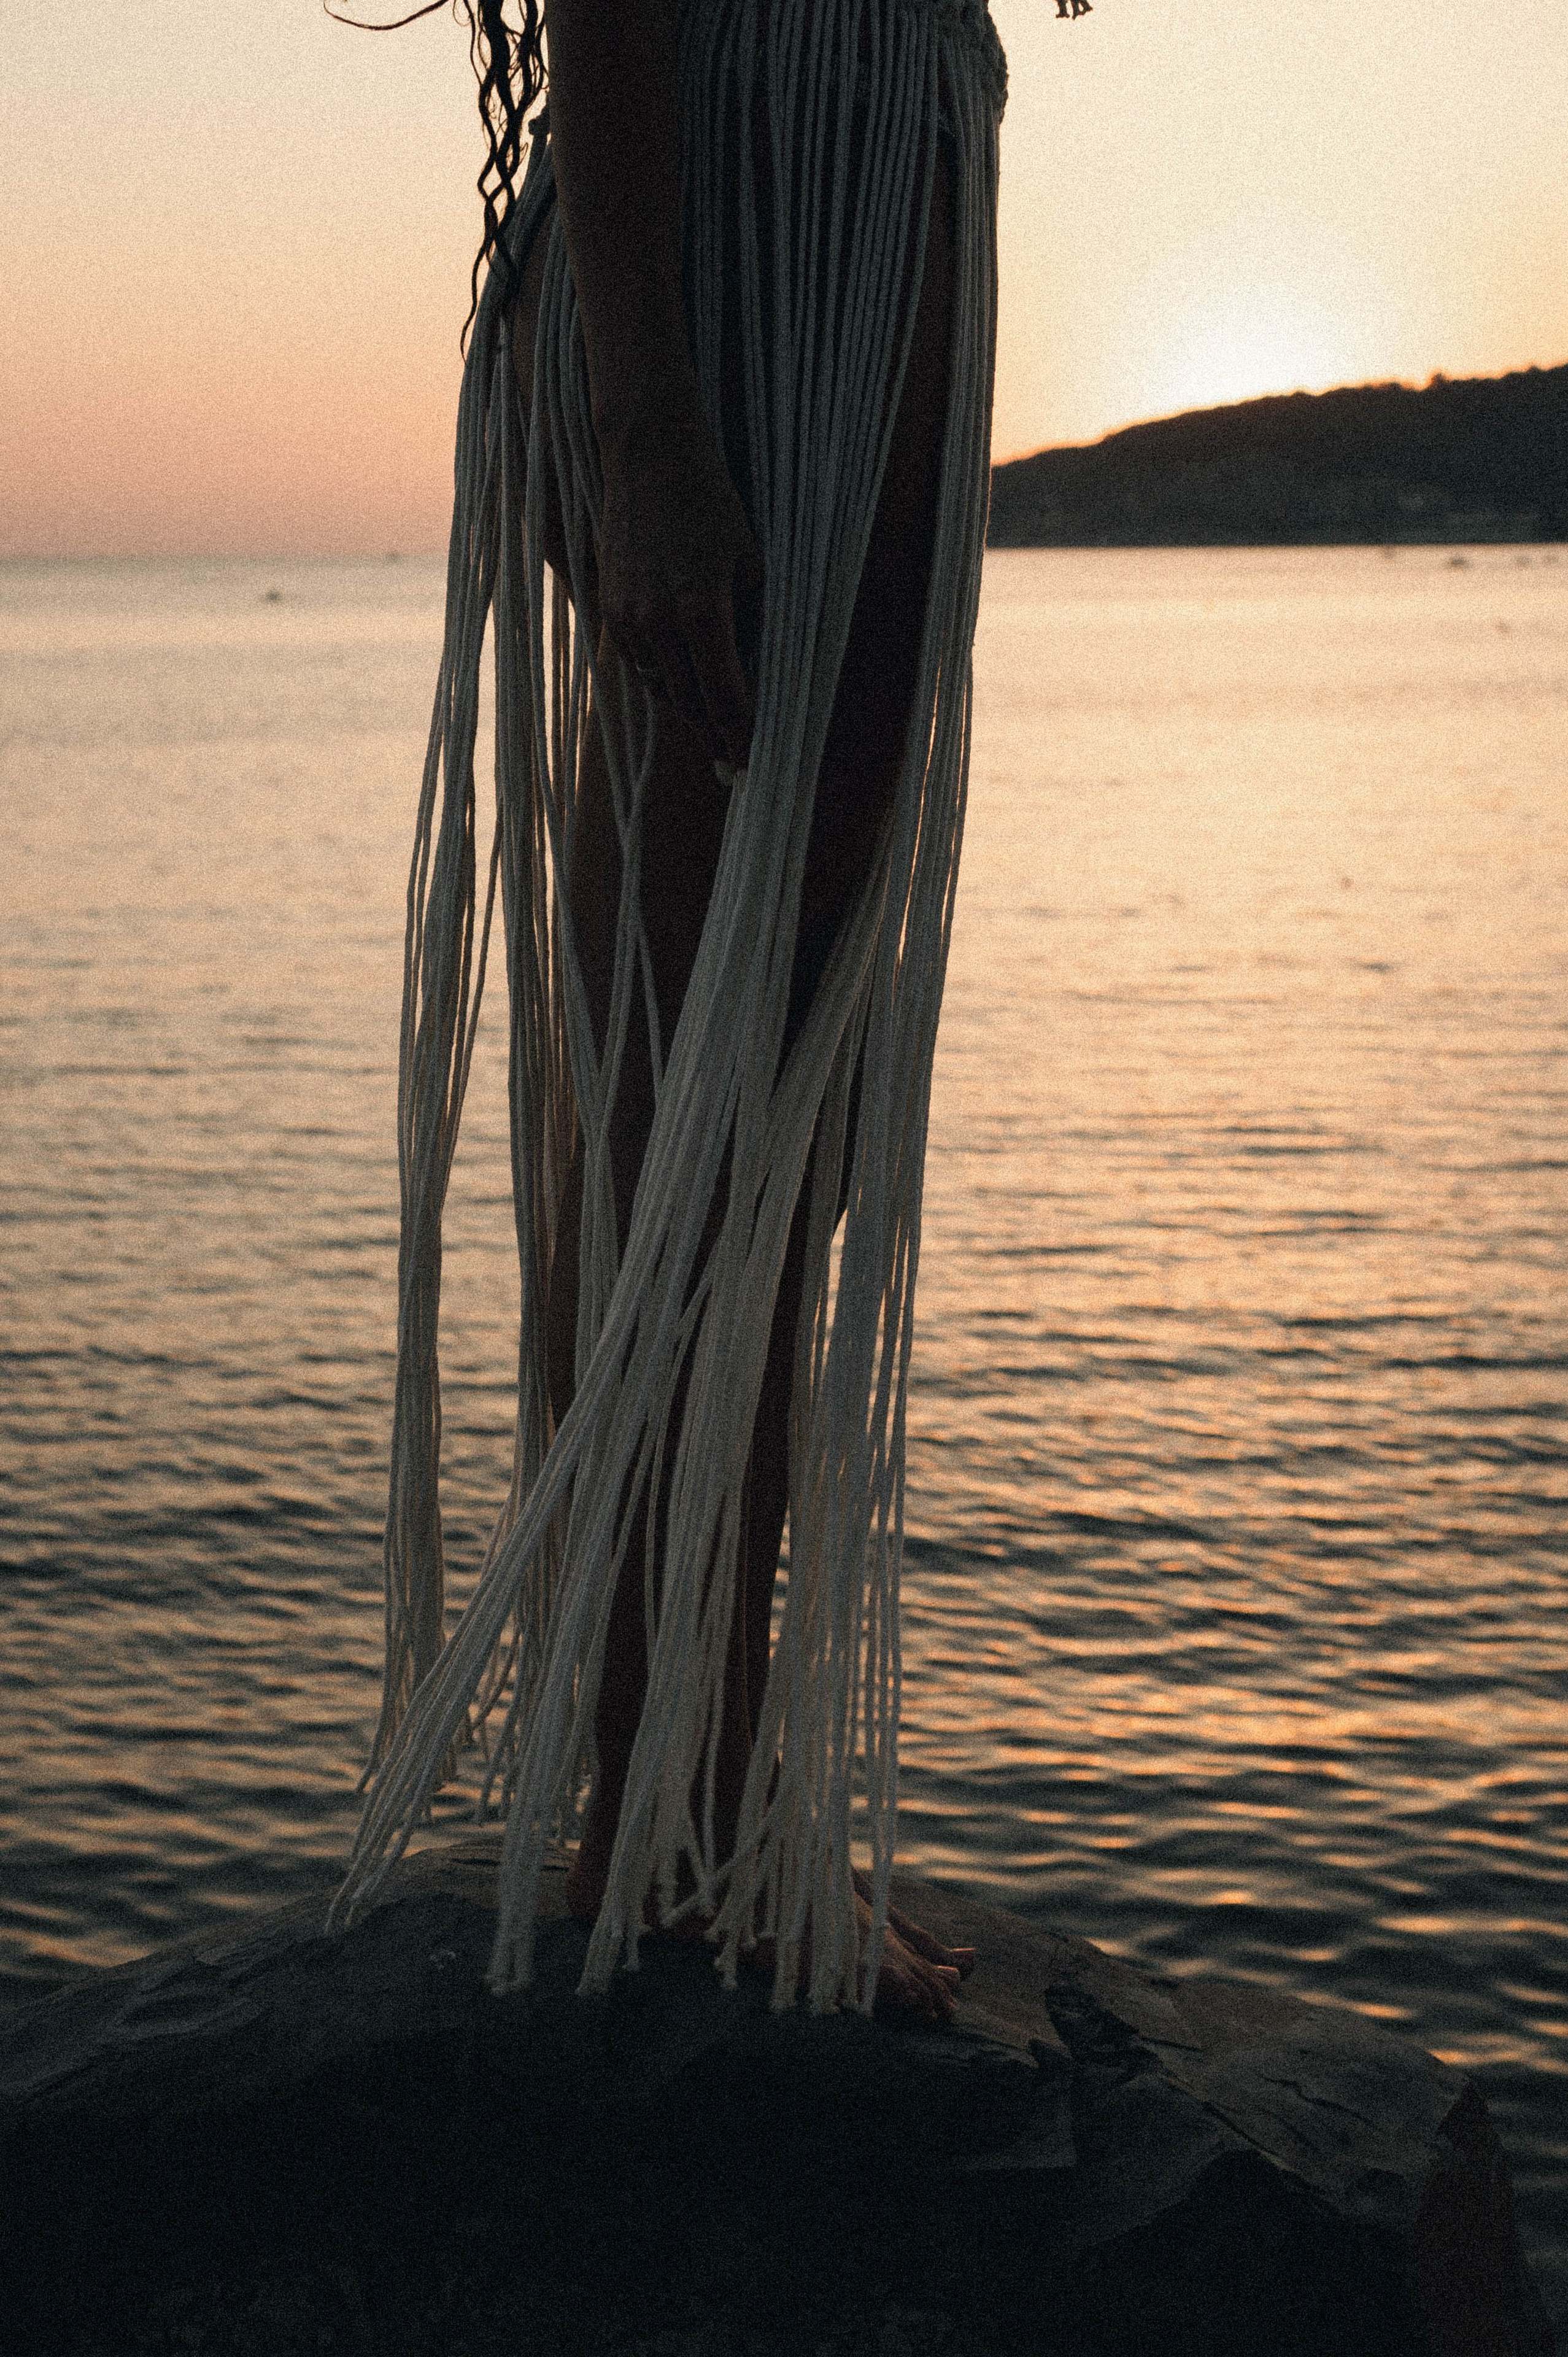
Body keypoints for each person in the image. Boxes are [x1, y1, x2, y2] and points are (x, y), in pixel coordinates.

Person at [332, 0, 1037, 2021]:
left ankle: (691, 1812)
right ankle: (669, 1832)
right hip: (762, 209)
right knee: (691, 1082)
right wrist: (647, 423)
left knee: (762, 1096)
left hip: (852, 196)